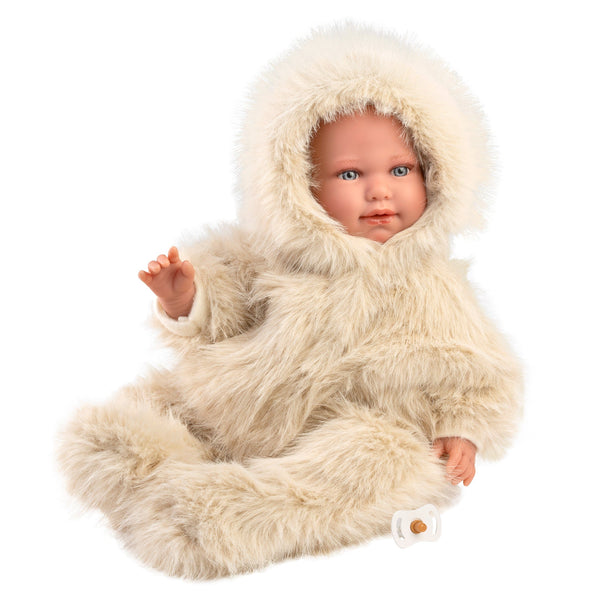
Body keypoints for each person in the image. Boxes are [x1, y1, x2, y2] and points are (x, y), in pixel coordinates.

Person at [58, 24, 522, 579]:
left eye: (401, 170)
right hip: (235, 401)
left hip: (346, 425)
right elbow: (224, 307)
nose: (379, 190)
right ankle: (135, 464)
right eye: (350, 173)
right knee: (145, 411)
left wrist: (462, 428)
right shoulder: (274, 255)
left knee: (382, 459)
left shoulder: (433, 284)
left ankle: (228, 517)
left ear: (436, 173)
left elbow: (480, 375)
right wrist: (188, 298)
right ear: (298, 186)